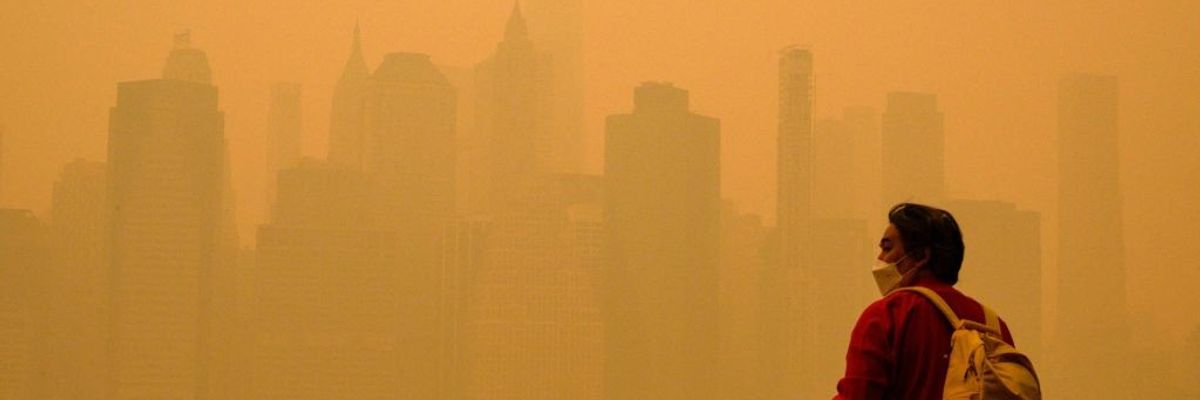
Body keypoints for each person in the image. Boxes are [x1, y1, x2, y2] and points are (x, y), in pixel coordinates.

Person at [833, 203, 1016, 399]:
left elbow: (858, 394)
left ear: (921, 256)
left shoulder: (886, 315)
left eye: (888, 248)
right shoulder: (993, 326)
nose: (880, 257)